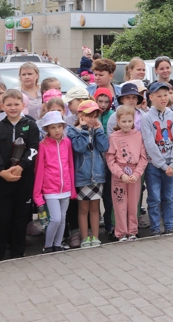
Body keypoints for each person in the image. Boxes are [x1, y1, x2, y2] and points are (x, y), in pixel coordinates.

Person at [0, 89, 39, 262]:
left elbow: (33, 149)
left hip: (23, 178)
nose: (13, 107)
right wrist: (2, 171)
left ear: (23, 105)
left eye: (16, 104)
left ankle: (17, 251)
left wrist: (21, 167)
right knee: (1, 217)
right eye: (8, 104)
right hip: (2, 179)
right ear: (2, 106)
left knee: (20, 216)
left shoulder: (30, 125)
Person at [67, 100, 108, 248]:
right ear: (80, 115)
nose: (92, 119)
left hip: (97, 176)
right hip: (82, 176)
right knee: (83, 208)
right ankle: (85, 237)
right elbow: (79, 147)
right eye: (89, 115)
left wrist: (98, 131)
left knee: (95, 207)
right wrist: (84, 130)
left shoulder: (96, 129)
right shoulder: (72, 131)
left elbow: (104, 146)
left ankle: (95, 237)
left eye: (95, 116)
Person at [141, 82, 173, 234]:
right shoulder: (147, 118)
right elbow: (149, 144)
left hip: (171, 164)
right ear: (151, 97)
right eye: (159, 96)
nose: (163, 98)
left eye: (166, 95)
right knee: (154, 198)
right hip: (154, 166)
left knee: (169, 197)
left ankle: (169, 226)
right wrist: (164, 166)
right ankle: (156, 228)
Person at [32, 111, 74, 253]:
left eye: (59, 126)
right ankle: (48, 245)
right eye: (53, 127)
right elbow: (39, 170)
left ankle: (57, 244)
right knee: (55, 219)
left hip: (66, 188)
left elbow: (70, 165)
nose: (57, 130)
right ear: (47, 129)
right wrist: (37, 194)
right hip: (50, 189)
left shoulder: (67, 142)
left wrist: (72, 188)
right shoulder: (43, 145)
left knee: (62, 219)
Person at [105, 105, 148, 241]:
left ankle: (133, 231)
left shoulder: (138, 135)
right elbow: (110, 158)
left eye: (130, 121)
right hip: (119, 175)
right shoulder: (113, 137)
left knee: (133, 203)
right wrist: (120, 174)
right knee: (120, 203)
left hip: (134, 173)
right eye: (124, 121)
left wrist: (137, 174)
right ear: (118, 121)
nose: (127, 124)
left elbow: (143, 157)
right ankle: (121, 232)